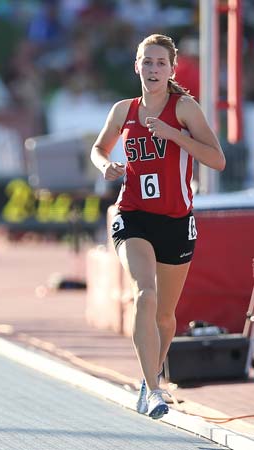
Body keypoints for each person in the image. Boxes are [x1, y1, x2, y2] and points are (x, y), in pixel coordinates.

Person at [90, 34, 225, 419]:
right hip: (132, 214)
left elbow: (217, 160)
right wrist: (106, 166)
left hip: (177, 221)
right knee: (144, 295)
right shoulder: (124, 110)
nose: (152, 70)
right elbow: (99, 149)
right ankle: (153, 389)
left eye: (159, 63)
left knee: (165, 315)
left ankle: (150, 378)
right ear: (136, 66)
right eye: (146, 62)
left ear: (171, 69)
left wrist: (175, 136)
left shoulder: (185, 109)